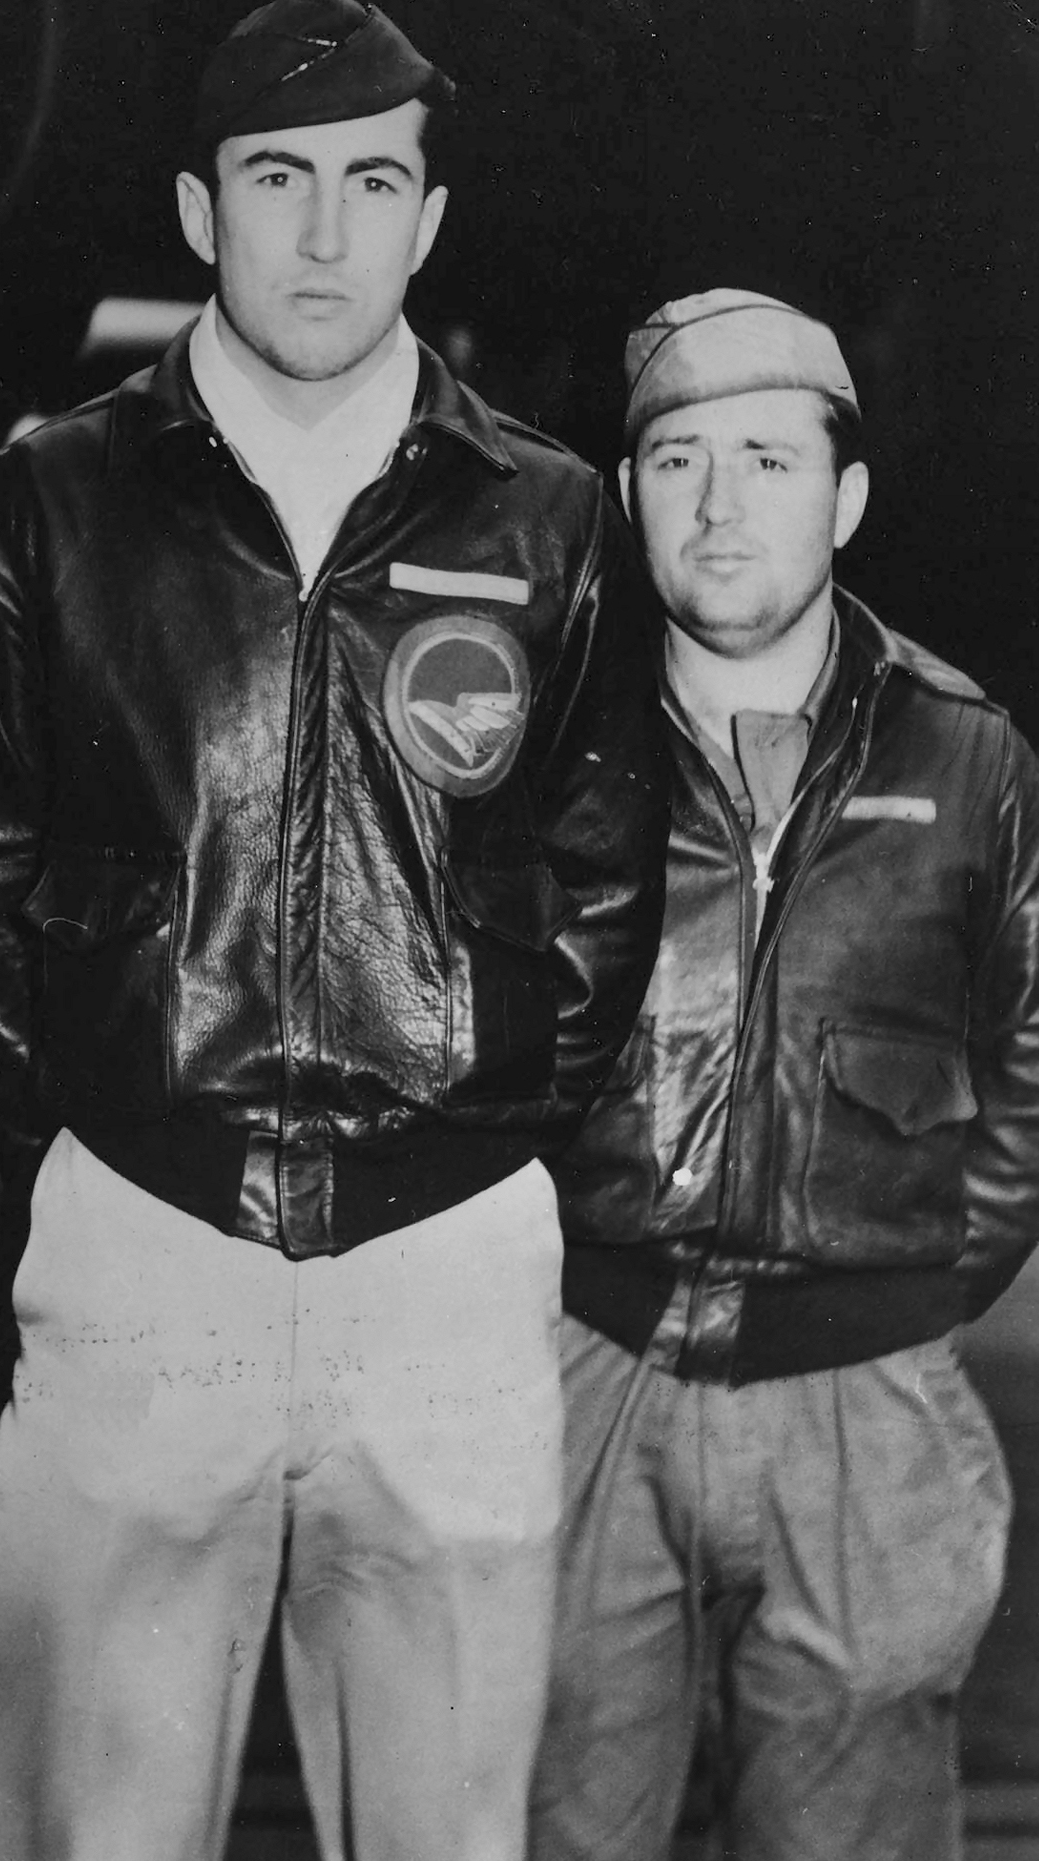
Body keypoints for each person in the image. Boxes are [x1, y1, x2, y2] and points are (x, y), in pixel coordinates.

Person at [0, 2, 669, 1854]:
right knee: (93, 1804)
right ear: (195, 206)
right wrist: (100, 1124)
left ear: (430, 221)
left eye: (370, 183)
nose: (324, 232)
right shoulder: (53, 494)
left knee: (446, 1808)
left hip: (446, 1251)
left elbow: (611, 877)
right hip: (149, 1241)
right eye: (278, 180)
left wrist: (476, 1127)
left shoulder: (549, 517)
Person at [530, 289, 1039, 1861]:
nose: (724, 502)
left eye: (769, 455)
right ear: (627, 496)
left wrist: (912, 1291)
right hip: (580, 1378)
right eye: (679, 459)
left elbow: (1034, 1050)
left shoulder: (966, 755)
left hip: (866, 1405)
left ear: (849, 495)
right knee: (555, 1822)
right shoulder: (542, 744)